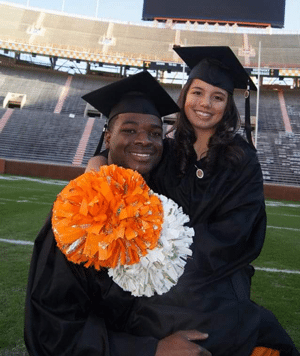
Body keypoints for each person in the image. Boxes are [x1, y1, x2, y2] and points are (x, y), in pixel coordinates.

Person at [88, 47, 299, 356]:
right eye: (198, 92)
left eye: (217, 97)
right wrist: (97, 160)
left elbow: (236, 233)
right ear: (184, 94)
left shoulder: (242, 160)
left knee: (207, 331)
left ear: (227, 106)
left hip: (216, 275)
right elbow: (127, 154)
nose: (205, 104)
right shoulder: (167, 151)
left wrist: (169, 258)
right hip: (157, 271)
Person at [24, 71, 211, 356]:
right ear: (108, 136)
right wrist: (152, 350)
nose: (144, 140)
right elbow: (51, 327)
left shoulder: (159, 204)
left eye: (155, 133)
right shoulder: (76, 215)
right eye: (129, 130)